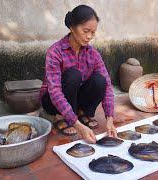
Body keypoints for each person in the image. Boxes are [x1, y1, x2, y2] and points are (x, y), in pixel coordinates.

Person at [40, 5, 117, 143]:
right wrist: (77, 125)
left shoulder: (93, 54)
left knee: (100, 80)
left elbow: (108, 85)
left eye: (93, 33)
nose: (89, 37)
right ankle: (62, 117)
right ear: (72, 27)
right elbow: (55, 91)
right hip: (51, 101)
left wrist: (110, 118)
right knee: (73, 75)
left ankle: (82, 113)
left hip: (76, 98)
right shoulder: (55, 52)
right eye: (86, 31)